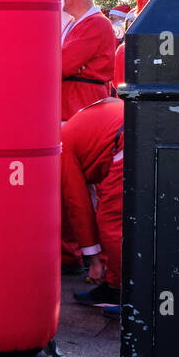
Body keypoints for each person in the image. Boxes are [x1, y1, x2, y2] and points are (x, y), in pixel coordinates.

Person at [61, 97, 124, 316]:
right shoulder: (71, 129)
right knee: (114, 218)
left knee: (112, 222)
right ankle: (116, 286)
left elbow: (78, 206)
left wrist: (94, 261)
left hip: (122, 142)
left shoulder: (62, 147)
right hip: (128, 131)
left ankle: (131, 295)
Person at [60, 0, 115, 122]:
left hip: (81, 104)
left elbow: (63, 64)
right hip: (74, 103)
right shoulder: (78, 23)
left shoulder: (96, 23)